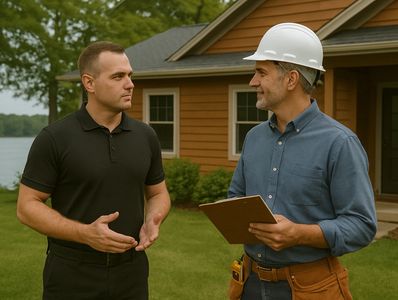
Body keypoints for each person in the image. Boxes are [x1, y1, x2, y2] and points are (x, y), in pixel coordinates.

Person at [228, 23, 377, 300]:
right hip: (248, 282)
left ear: (291, 79)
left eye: (261, 72)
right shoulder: (254, 137)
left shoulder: (339, 143)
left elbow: (362, 225)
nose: (253, 81)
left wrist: (299, 233)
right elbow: (236, 196)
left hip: (310, 288)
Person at [16, 41, 171, 300]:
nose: (130, 84)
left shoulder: (146, 136)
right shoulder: (55, 138)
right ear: (89, 83)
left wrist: (153, 220)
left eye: (130, 76)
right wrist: (85, 234)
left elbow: (158, 193)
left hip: (131, 273)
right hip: (71, 275)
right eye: (118, 77)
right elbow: (27, 207)